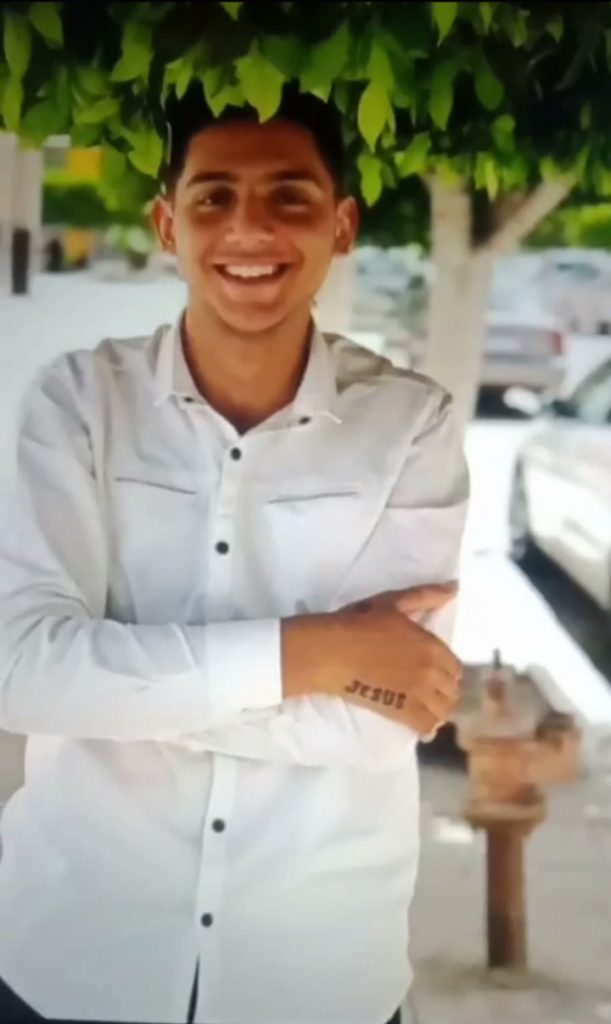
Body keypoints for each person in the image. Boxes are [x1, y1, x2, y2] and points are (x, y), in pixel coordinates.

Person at [0, 84, 468, 1024]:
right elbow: (22, 674)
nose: (249, 227)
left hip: (317, 972)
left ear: (341, 226)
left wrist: (112, 689)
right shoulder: (79, 403)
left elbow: (381, 721)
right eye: (213, 196)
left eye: (290, 196)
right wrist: (311, 656)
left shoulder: (410, 424)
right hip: (74, 955)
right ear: (167, 225)